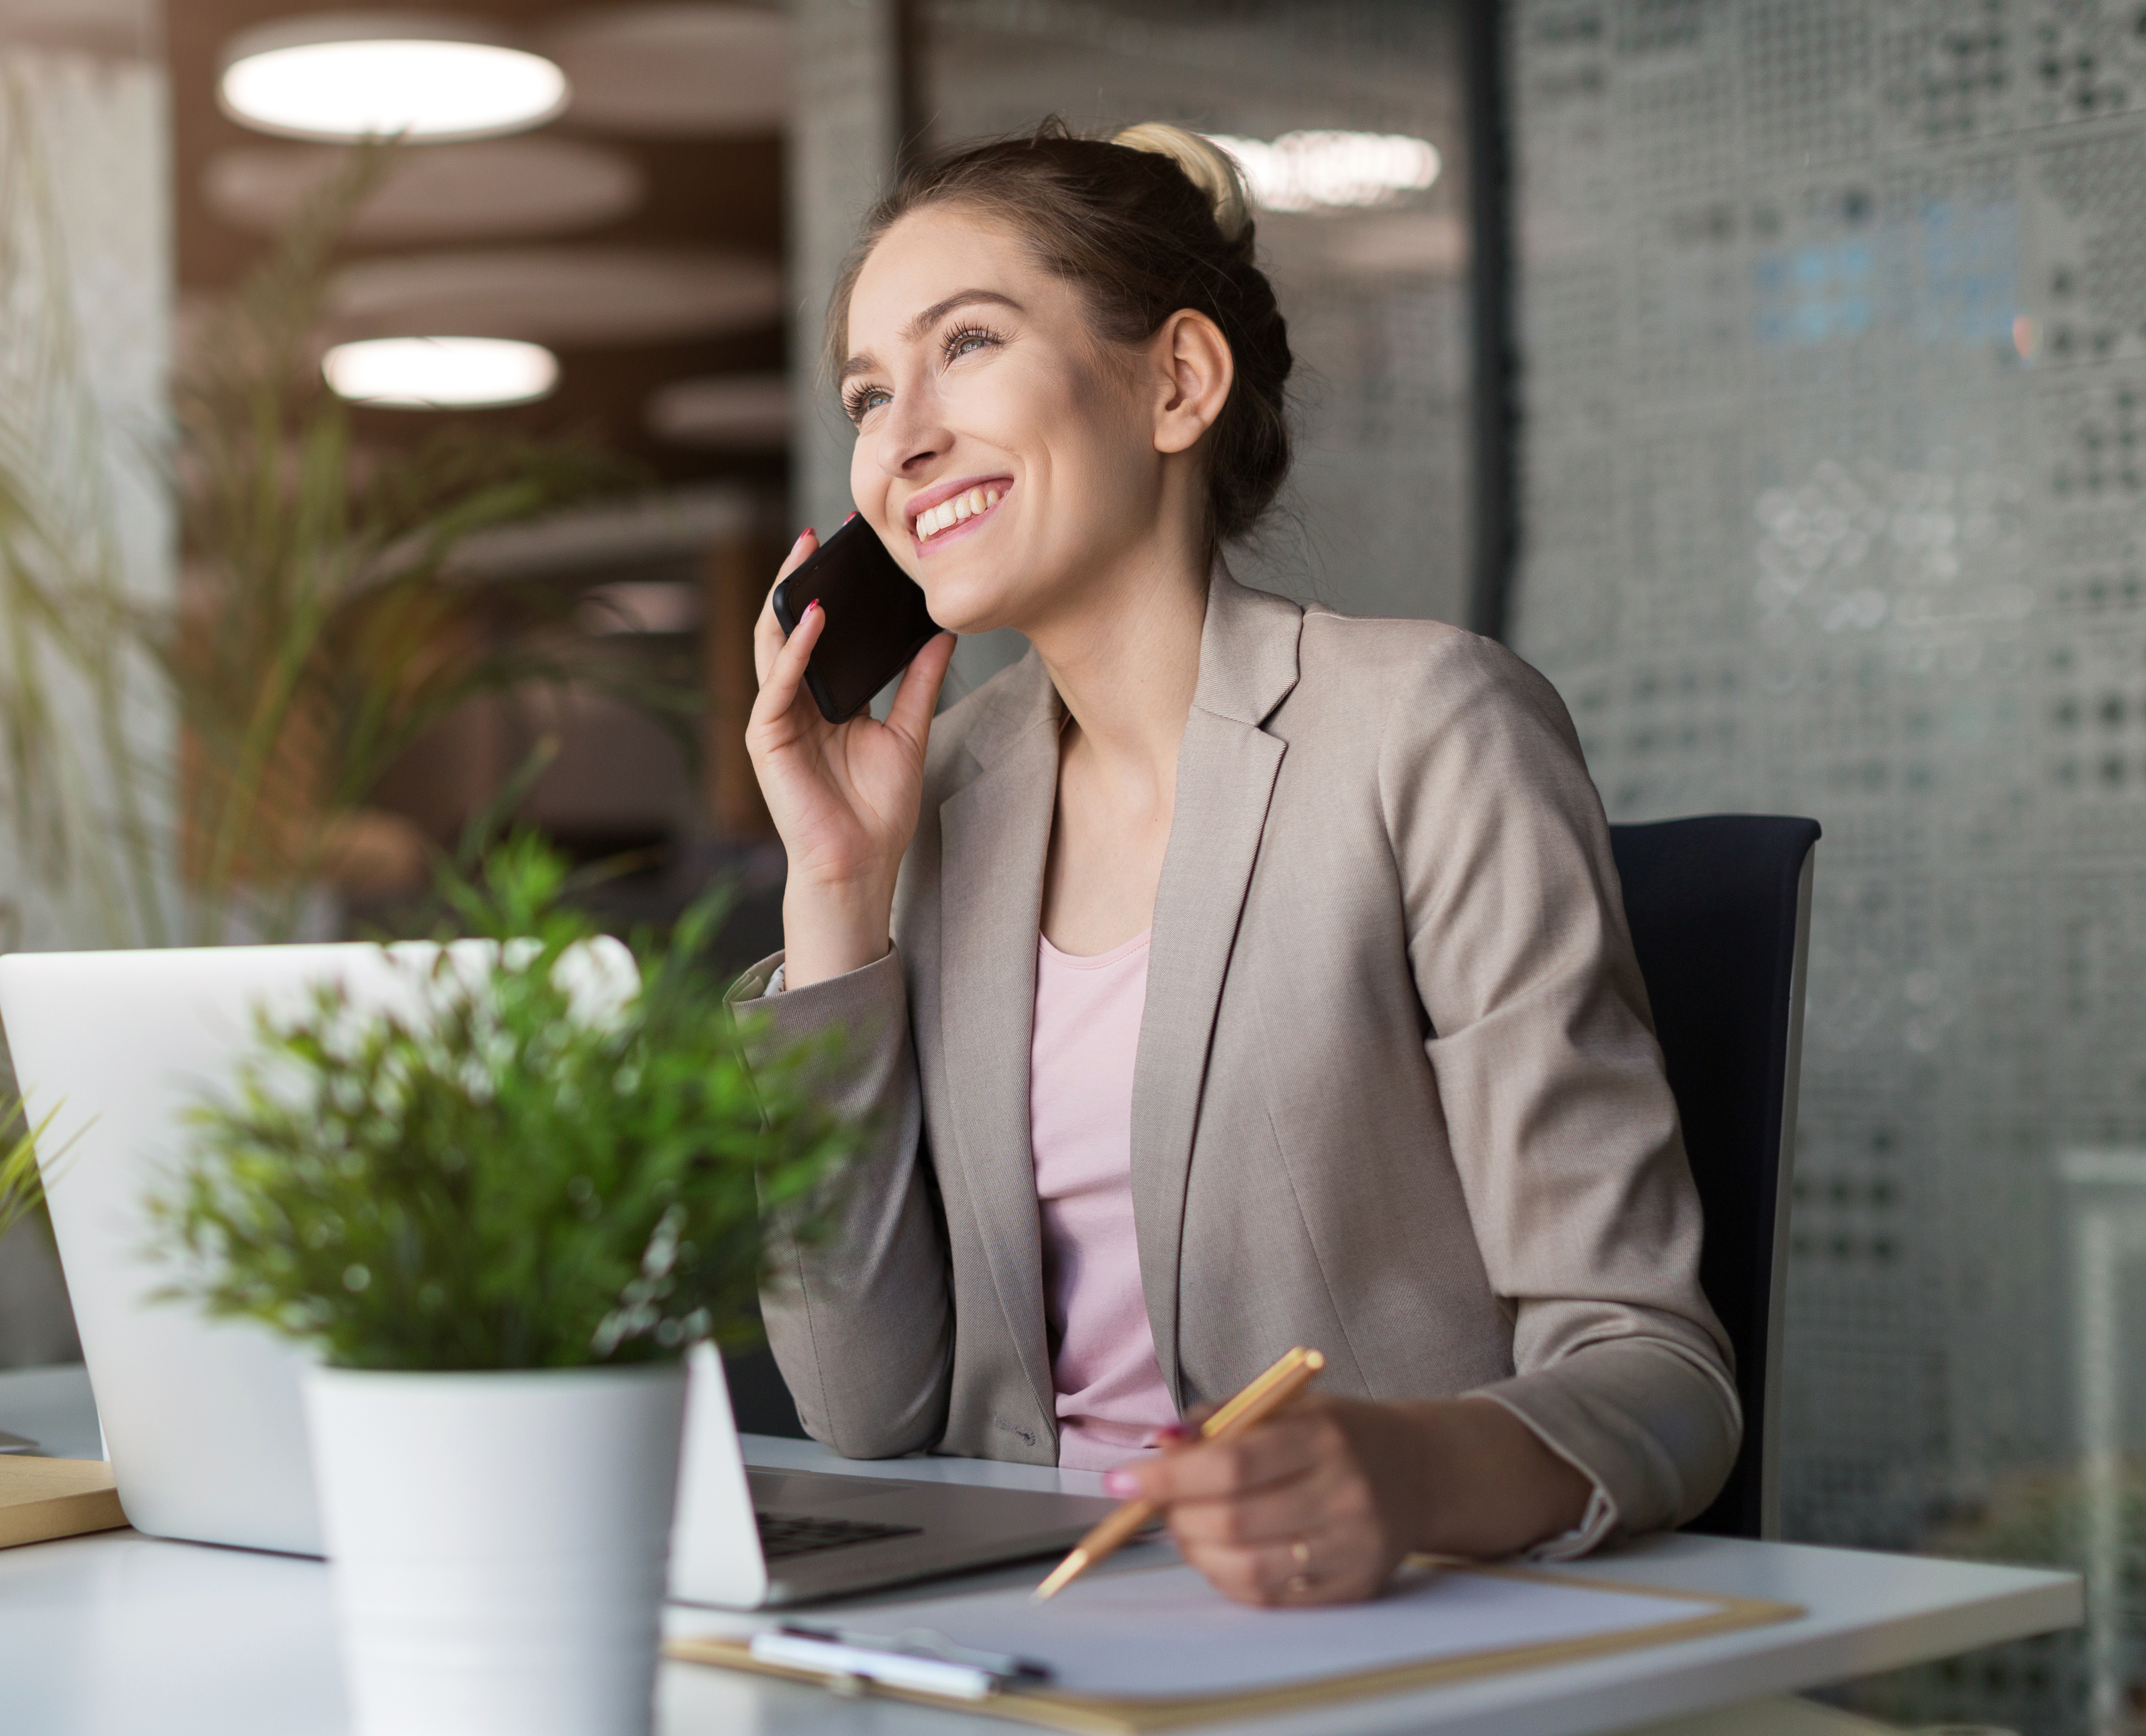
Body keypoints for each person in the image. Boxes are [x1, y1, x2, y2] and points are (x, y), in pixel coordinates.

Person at [733, 120, 1737, 1607]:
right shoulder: (938, 803)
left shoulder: (1424, 729)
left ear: (1178, 383)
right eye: (869, 394)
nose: (899, 438)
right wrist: (834, 891)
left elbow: (1660, 1375)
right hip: (1025, 1630)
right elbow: (856, 1403)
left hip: (1359, 1631)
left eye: (967, 346)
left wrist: (1404, 1473)